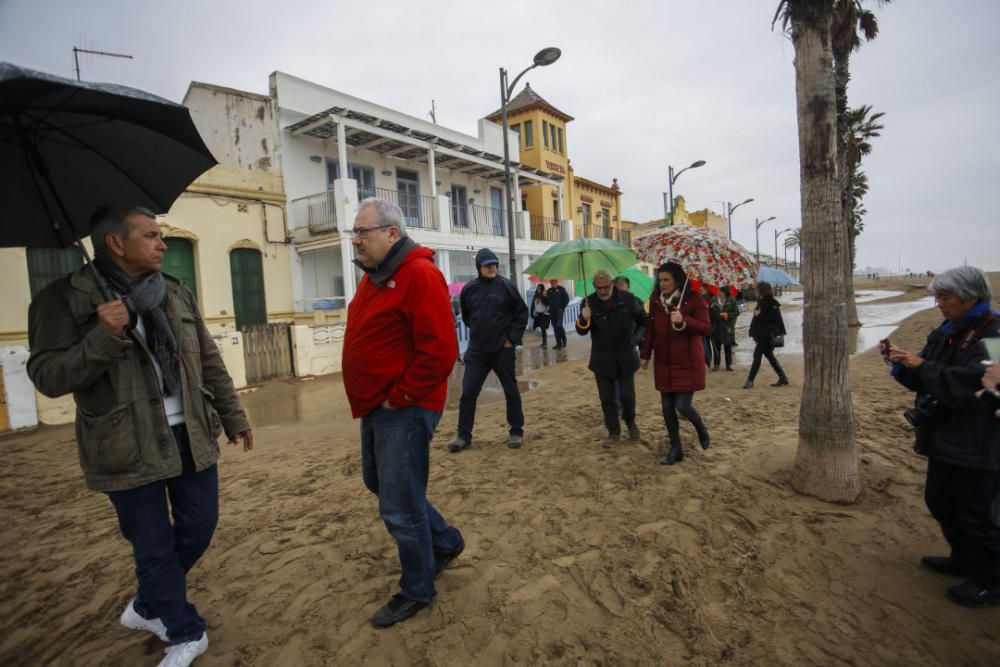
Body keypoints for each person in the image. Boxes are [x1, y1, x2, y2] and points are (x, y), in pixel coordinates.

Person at [26, 205, 252, 667]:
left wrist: (234, 416)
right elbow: (47, 376)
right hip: (124, 443)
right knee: (153, 545)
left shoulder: (171, 291)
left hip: (191, 431)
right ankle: (186, 631)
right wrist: (103, 336)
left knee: (199, 526)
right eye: (151, 235)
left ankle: (148, 605)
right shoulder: (63, 300)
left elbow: (207, 358)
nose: (162, 244)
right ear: (115, 243)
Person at [342, 198, 465, 627]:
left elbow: (441, 352)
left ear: (391, 233)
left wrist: (400, 396)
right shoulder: (376, 277)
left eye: (362, 232)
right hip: (377, 405)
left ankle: (418, 586)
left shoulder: (419, 275)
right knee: (380, 483)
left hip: (404, 408)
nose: (355, 240)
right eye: (353, 232)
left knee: (399, 503)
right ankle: (445, 541)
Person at [887, 266, 1000, 608]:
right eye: (937, 297)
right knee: (940, 500)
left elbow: (984, 386)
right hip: (946, 436)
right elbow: (928, 371)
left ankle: (990, 581)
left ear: (971, 297)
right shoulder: (949, 329)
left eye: (945, 298)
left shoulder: (994, 333)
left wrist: (922, 367)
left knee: (977, 512)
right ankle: (963, 559)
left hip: (980, 441)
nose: (939, 304)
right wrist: (903, 364)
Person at [449, 248, 529, 452]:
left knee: (511, 390)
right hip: (477, 352)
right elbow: (466, 316)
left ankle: (516, 431)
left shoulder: (507, 286)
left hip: (502, 350)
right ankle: (463, 436)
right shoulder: (469, 289)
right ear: (479, 267)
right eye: (487, 265)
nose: (492, 267)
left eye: (494, 264)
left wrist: (511, 339)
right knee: (468, 393)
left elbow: (521, 313)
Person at [640, 262, 712, 465]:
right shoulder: (655, 300)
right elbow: (650, 330)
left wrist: (684, 321)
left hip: (687, 361)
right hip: (664, 361)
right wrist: (645, 354)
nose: (662, 284)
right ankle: (676, 448)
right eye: (659, 279)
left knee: (683, 406)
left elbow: (706, 328)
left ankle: (700, 426)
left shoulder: (693, 299)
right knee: (666, 407)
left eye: (666, 280)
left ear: (677, 280)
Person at [575, 269, 648, 448]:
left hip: (625, 357)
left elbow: (644, 322)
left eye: (606, 286)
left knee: (627, 397)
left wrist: (635, 339)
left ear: (612, 284)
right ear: (594, 287)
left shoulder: (628, 299)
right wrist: (583, 319)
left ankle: (630, 422)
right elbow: (582, 331)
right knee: (606, 399)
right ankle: (613, 432)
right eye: (599, 287)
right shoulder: (588, 303)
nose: (602, 291)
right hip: (602, 359)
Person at [742, 282, 789, 388]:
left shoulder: (770, 303)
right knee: (770, 357)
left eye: (757, 290)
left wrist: (759, 315)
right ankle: (783, 377)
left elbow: (772, 320)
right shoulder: (764, 302)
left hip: (766, 336)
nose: (755, 292)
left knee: (757, 356)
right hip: (763, 335)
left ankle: (750, 381)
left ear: (761, 291)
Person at [710, 286, 740, 371]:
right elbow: (709, 312)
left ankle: (728, 365)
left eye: (720, 291)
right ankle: (716, 365)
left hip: (727, 327)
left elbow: (737, 312)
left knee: (727, 347)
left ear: (725, 292)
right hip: (716, 327)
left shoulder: (732, 300)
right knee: (716, 347)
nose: (718, 292)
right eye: (718, 291)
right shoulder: (713, 300)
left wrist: (727, 315)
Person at [547, 279, 570, 349]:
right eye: (551, 282)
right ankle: (558, 344)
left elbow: (567, 299)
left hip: (559, 311)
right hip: (552, 312)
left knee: (559, 325)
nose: (552, 283)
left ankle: (564, 340)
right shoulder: (549, 291)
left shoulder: (561, 289)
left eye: (554, 282)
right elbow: (547, 302)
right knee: (555, 327)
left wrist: (562, 307)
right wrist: (545, 296)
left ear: (556, 282)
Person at [700, 283, 716, 369]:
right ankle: (708, 360)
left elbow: (714, 313)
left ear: (706, 290)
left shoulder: (711, 300)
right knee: (704, 343)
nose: (699, 291)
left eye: (701, 290)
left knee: (712, 343)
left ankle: (713, 360)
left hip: (711, 325)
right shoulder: (698, 299)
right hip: (702, 325)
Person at [531, 283, 551, 348]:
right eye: (538, 288)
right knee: (541, 328)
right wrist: (532, 313)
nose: (539, 289)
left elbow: (548, 303)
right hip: (538, 314)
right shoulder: (535, 296)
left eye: (540, 288)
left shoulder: (544, 295)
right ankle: (544, 342)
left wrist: (545, 296)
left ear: (542, 289)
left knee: (543, 328)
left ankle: (545, 343)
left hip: (544, 314)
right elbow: (533, 306)